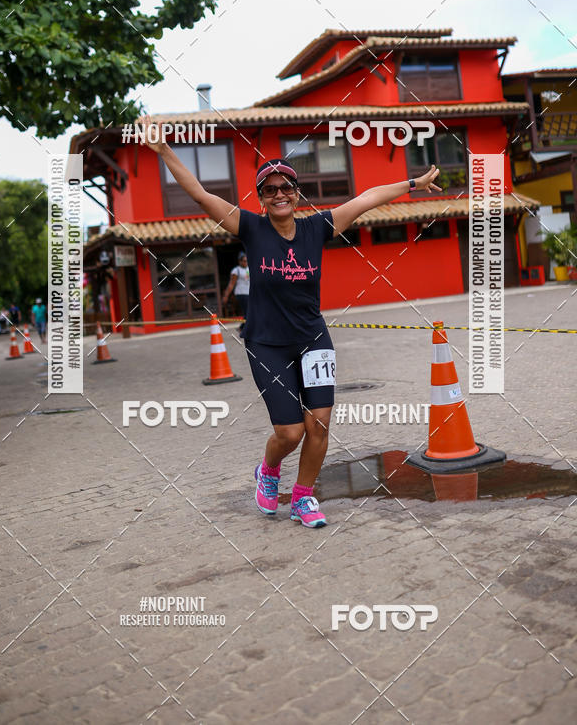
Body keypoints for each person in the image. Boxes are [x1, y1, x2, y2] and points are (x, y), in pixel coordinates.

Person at [141, 116, 441, 528]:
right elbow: (198, 193)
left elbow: (368, 198)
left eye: (286, 187)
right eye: (270, 189)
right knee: (290, 433)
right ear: (261, 198)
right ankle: (268, 471)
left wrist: (412, 185)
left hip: (312, 338)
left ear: (296, 194)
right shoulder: (250, 227)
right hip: (267, 343)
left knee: (318, 424)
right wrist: (164, 151)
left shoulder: (318, 227)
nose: (279, 193)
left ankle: (302, 498)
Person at [222, 251, 250, 336]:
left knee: (250, 312)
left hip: (249, 293)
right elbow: (231, 284)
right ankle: (243, 329)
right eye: (244, 261)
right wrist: (226, 296)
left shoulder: (249, 269)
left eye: (247, 261)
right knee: (248, 312)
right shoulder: (236, 270)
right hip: (241, 293)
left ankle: (242, 328)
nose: (246, 263)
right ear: (240, 261)